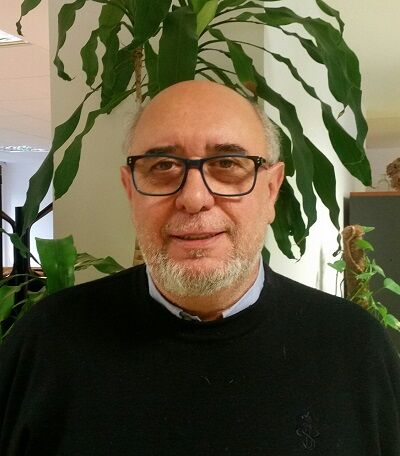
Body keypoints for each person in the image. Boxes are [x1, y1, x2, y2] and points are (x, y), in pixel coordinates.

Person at [0, 81, 399, 456]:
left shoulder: (354, 348)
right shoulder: (49, 340)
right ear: (130, 190)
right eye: (162, 166)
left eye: (227, 163)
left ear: (271, 190)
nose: (194, 198)